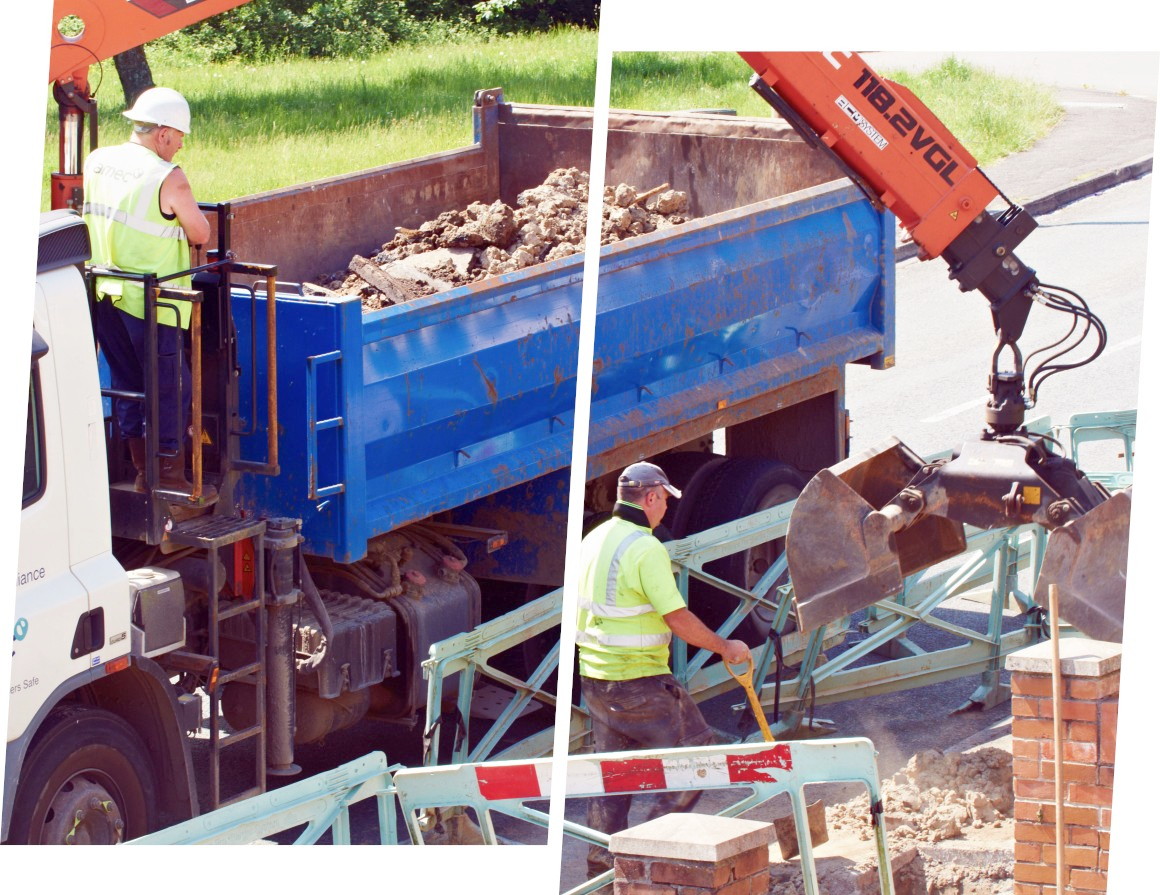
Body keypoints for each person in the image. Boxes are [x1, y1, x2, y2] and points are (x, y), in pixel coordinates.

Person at [576, 460, 751, 878]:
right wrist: (726, 647)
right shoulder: (644, 547)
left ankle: (601, 873)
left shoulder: (594, 538)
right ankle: (649, 860)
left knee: (613, 779)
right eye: (664, 502)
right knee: (696, 759)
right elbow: (678, 619)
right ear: (651, 497)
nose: (665, 511)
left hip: (597, 680)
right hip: (638, 681)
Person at [82, 86, 214, 500]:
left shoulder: (99, 160)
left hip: (107, 293)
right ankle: (171, 478)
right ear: (162, 134)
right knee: (171, 388)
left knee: (126, 381)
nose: (178, 147)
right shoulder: (167, 176)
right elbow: (200, 232)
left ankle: (141, 470)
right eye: (178, 139)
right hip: (154, 304)